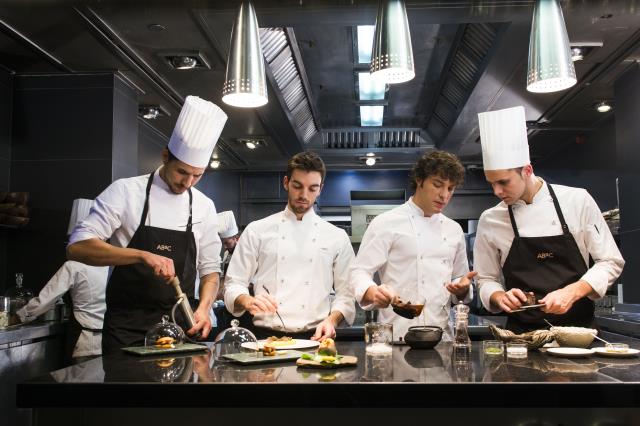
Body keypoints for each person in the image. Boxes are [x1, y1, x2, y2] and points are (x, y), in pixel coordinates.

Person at [67, 96, 228, 354]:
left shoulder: (203, 205)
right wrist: (141, 255)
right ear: (165, 156)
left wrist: (204, 309)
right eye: (182, 172)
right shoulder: (125, 192)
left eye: (197, 175)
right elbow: (77, 247)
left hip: (181, 328)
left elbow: (210, 271)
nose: (188, 182)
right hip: (126, 329)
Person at [473, 106, 625, 333]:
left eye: (503, 182)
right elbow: (485, 278)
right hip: (521, 338)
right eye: (491, 183)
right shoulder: (491, 219)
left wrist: (571, 292)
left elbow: (610, 262)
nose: (497, 191)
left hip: (578, 335)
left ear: (527, 170)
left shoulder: (577, 200)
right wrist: (498, 296)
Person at [223, 151, 355, 341]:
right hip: (265, 338)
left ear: (321, 189)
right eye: (297, 186)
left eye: (312, 188)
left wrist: (332, 321)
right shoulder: (257, 230)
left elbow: (347, 295)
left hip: (315, 338)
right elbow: (234, 284)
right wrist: (248, 301)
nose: (304, 195)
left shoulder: (336, 237)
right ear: (286, 183)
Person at [350, 150, 477, 340]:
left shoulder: (454, 230)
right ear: (420, 180)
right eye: (437, 185)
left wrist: (463, 289)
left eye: (450, 188)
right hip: (397, 335)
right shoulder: (386, 223)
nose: (444, 195)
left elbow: (460, 278)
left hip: (440, 338)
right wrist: (372, 292)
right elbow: (358, 272)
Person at [17, 199, 108, 363]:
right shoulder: (112, 265)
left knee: (77, 386)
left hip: (84, 342)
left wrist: (20, 316)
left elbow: (45, 301)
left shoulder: (73, 266)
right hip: (110, 341)